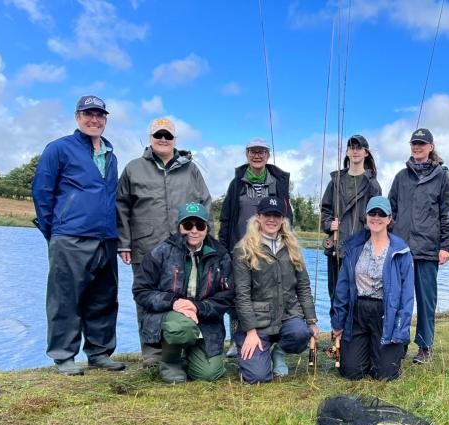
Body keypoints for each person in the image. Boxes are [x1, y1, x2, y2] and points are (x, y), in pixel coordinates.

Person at [32, 95, 125, 375]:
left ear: (105, 120)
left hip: (106, 238)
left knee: (104, 297)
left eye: (100, 115)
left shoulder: (111, 154)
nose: (94, 119)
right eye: (89, 114)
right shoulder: (59, 149)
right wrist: (55, 230)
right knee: (65, 297)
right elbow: (42, 192)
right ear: (77, 116)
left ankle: (99, 353)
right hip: (70, 236)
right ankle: (64, 356)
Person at [116, 117, 214, 366]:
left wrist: (204, 240)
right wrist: (124, 243)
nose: (163, 139)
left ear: (174, 140)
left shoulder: (191, 169)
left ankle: (178, 349)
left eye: (167, 136)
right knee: (147, 298)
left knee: (182, 297)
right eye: (158, 135)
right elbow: (121, 208)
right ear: (150, 138)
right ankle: (152, 353)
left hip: (184, 248)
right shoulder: (133, 168)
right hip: (145, 246)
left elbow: (205, 204)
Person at [133, 203, 233, 383]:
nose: (193, 231)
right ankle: (170, 362)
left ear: (207, 229)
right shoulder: (160, 252)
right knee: (181, 326)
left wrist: (197, 307)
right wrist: (174, 303)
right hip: (170, 316)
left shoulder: (221, 255)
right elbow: (141, 291)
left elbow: (226, 297)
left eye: (199, 226)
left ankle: (192, 356)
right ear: (179, 227)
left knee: (209, 374)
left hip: (205, 320)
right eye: (188, 225)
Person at [219, 137, 294, 358]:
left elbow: (287, 217)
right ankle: (236, 338)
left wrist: (288, 244)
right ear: (246, 154)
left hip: (270, 248)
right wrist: (224, 248)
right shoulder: (237, 183)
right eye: (253, 151)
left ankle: (274, 340)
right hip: (241, 249)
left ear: (268, 155)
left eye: (261, 151)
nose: (257, 155)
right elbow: (226, 218)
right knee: (237, 293)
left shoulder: (278, 183)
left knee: (273, 292)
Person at [233, 197, 318, 384]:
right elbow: (242, 295)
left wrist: (311, 321)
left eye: (277, 215)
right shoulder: (243, 250)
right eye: (267, 215)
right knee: (257, 377)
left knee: (302, 333)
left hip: (287, 317)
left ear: (283, 219)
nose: (272, 220)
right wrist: (250, 331)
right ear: (258, 217)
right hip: (258, 323)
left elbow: (303, 288)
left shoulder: (293, 248)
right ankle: (251, 355)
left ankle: (279, 351)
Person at [388, 127, 449, 365]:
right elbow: (390, 210)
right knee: (397, 299)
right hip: (401, 249)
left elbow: (447, 214)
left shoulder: (443, 176)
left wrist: (445, 246)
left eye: (422, 144)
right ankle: (398, 342)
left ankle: (425, 346)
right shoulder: (400, 177)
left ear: (431, 147)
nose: (417, 147)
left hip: (428, 250)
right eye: (414, 144)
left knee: (426, 301)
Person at [332, 196, 414, 381]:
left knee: (385, 374)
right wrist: (338, 322)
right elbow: (342, 288)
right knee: (351, 371)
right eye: (372, 213)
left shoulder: (402, 252)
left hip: (386, 313)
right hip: (358, 313)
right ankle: (365, 348)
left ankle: (396, 348)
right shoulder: (354, 248)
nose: (376, 217)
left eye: (381, 214)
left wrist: (400, 331)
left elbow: (407, 298)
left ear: (389, 219)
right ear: (366, 216)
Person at [320, 134, 382, 314]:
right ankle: (336, 335)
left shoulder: (373, 184)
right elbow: (325, 210)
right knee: (335, 294)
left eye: (359, 147)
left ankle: (352, 337)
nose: (355, 151)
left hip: (361, 249)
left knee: (357, 295)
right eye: (351, 147)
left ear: (366, 153)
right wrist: (328, 224)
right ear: (347, 152)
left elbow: (378, 217)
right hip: (336, 248)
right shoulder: (335, 180)